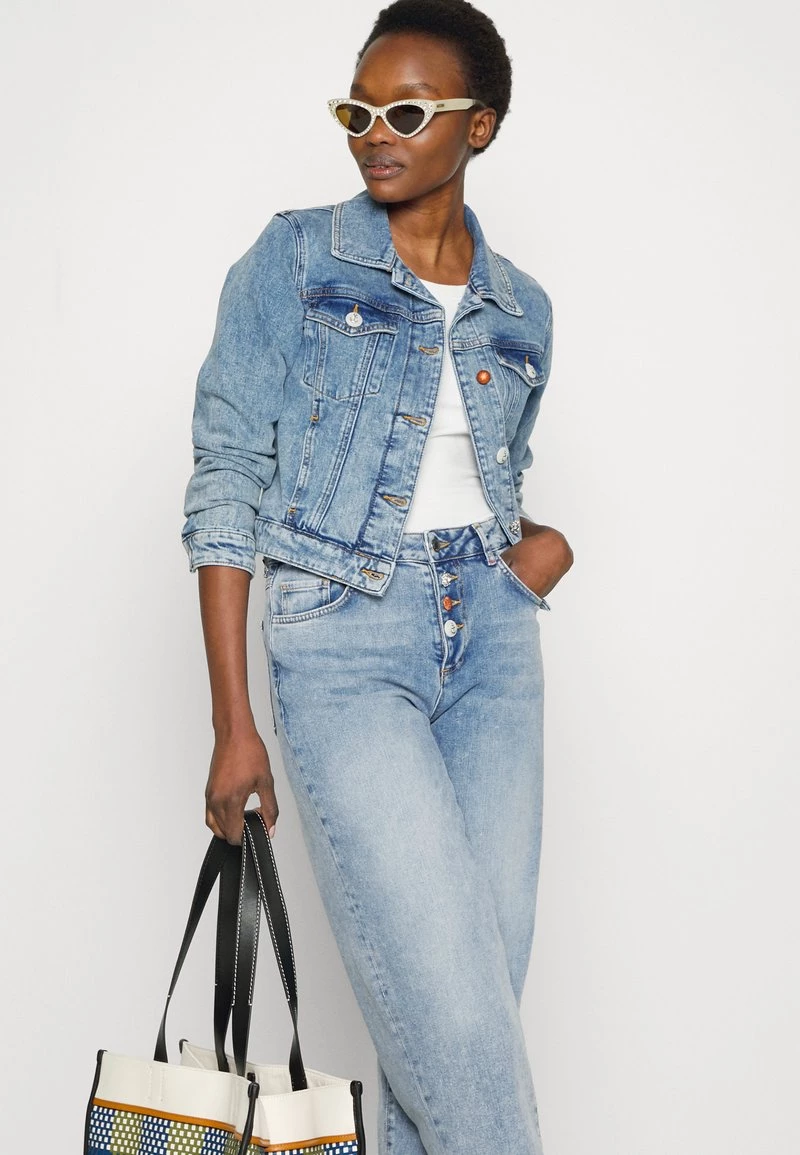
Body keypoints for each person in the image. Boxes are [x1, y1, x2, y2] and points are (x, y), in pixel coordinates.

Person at [181, 1, 574, 1151]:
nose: (372, 136)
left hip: (495, 649)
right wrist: (232, 723)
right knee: (457, 1031)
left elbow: (493, 468)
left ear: (477, 125)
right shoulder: (296, 259)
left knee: (460, 1028)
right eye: (356, 112)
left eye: (405, 113)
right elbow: (227, 477)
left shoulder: (522, 308)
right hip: (343, 641)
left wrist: (534, 555)